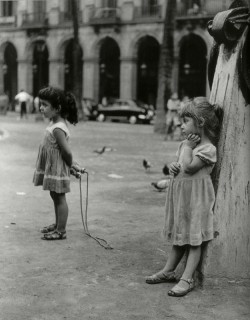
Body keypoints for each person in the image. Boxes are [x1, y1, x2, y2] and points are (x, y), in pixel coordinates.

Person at [146, 97, 223, 297]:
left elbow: (189, 168)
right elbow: (180, 166)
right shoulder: (184, 145)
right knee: (180, 237)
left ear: (200, 123)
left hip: (197, 201)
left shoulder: (208, 149)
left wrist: (188, 148)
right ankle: (168, 270)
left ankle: (187, 278)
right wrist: (173, 167)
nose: (181, 126)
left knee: (195, 240)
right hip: (182, 199)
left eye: (185, 122)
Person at [33, 87, 80, 240]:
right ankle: (58, 223)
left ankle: (61, 230)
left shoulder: (58, 128)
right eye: (41, 104)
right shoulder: (54, 123)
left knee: (60, 197)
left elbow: (66, 152)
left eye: (45, 105)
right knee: (55, 195)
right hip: (53, 167)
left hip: (58, 169)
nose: (41, 107)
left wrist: (71, 165)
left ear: (57, 108)